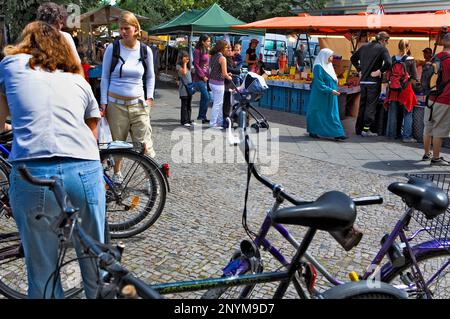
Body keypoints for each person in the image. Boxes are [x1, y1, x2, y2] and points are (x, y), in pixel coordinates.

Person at [0, 21, 105, 298]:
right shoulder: (76, 80)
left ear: (26, 42)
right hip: (84, 168)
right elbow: (92, 127)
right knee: (96, 259)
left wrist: (15, 127)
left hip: (34, 174)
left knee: (43, 271)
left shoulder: (10, 66)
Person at [100, 11, 156, 177]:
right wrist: (104, 102)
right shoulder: (113, 48)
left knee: (144, 143)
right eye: (120, 29)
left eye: (126, 28)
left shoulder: (145, 51)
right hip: (115, 104)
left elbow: (150, 75)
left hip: (138, 104)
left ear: (135, 29)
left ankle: (150, 178)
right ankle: (117, 174)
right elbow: (105, 76)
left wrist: (149, 98)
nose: (123, 32)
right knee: (118, 144)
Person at [351, 31, 392, 136]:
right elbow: (388, 62)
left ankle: (358, 129)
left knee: (363, 105)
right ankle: (366, 130)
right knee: (371, 107)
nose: (387, 43)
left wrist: (360, 69)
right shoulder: (382, 49)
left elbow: (353, 58)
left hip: (363, 81)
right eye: (387, 41)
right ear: (383, 40)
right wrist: (380, 71)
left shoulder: (364, 47)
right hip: (373, 83)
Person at [422, 33, 450, 166]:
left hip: (431, 97)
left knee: (428, 127)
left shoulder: (435, 57)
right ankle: (436, 158)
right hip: (444, 98)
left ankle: (427, 154)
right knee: (439, 128)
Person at [306, 48, 346, 141]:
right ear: (325, 56)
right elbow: (319, 83)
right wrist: (330, 90)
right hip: (321, 95)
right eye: (330, 56)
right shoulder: (318, 67)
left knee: (332, 113)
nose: (332, 58)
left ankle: (338, 133)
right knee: (318, 112)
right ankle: (314, 130)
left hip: (331, 94)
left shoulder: (329, 66)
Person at [384, 40, 418, 143]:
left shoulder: (392, 58)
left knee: (392, 112)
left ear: (398, 46)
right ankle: (407, 137)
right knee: (408, 112)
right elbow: (414, 77)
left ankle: (391, 134)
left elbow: (387, 75)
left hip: (393, 88)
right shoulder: (411, 60)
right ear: (408, 47)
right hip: (405, 88)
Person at [37, 2, 81, 66]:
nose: (60, 26)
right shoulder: (65, 37)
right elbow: (77, 62)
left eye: (61, 23)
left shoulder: (31, 36)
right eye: (60, 23)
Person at [208, 40, 232, 128]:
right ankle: (213, 123)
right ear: (222, 48)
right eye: (226, 47)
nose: (227, 49)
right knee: (218, 104)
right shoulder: (222, 58)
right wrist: (229, 77)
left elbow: (216, 70)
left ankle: (220, 122)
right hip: (218, 84)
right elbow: (225, 74)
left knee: (218, 103)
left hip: (211, 82)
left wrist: (226, 75)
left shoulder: (213, 56)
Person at [192, 34, 211, 124]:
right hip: (199, 78)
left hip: (206, 78)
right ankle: (201, 116)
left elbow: (207, 65)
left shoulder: (207, 50)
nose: (209, 43)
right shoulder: (196, 51)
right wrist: (202, 76)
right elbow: (196, 65)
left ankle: (202, 116)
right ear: (203, 42)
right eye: (208, 41)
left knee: (205, 97)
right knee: (206, 97)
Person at [223, 43, 241, 129]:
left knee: (231, 102)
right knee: (227, 102)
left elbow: (231, 68)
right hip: (226, 82)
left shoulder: (230, 58)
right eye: (228, 50)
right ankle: (225, 121)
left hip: (230, 81)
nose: (231, 51)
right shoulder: (224, 59)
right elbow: (228, 69)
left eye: (231, 50)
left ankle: (231, 119)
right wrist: (238, 71)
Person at [176, 51, 194, 127]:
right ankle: (184, 121)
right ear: (181, 58)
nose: (187, 58)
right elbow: (184, 73)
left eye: (187, 56)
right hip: (183, 88)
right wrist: (185, 63)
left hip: (189, 87)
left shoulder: (189, 66)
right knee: (184, 105)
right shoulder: (178, 66)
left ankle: (189, 120)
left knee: (189, 105)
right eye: (185, 56)